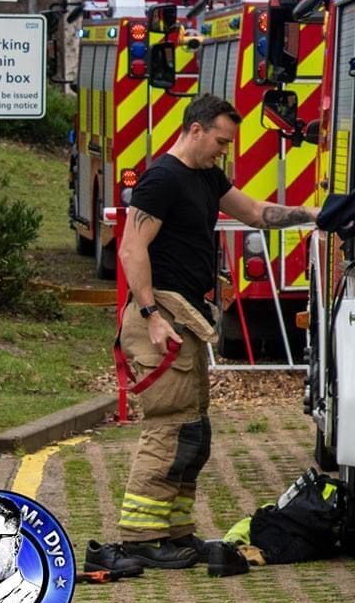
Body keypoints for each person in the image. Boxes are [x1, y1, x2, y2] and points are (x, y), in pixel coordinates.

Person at [87, 94, 319, 574]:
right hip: (163, 320)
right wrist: (152, 314)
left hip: (185, 317)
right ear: (195, 130)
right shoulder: (162, 180)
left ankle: (173, 531)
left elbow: (255, 213)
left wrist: (318, 215)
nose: (224, 151)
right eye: (220, 140)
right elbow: (132, 249)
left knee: (193, 433)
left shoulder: (206, 177)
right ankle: (140, 538)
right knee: (170, 428)